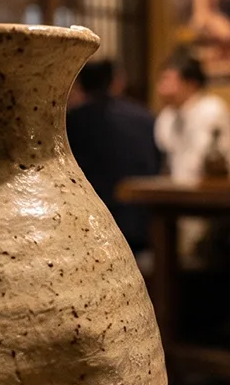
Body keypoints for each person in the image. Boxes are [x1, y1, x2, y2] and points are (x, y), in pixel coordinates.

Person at [65, 58, 159, 253]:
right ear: (117, 82)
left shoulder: (72, 121)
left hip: (95, 228)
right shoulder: (144, 116)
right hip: (145, 224)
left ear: (79, 85)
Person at [154, 49, 230, 184]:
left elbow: (213, 163)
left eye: (167, 79)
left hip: (215, 194)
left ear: (192, 83)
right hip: (177, 194)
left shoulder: (212, 110)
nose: (161, 86)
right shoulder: (166, 117)